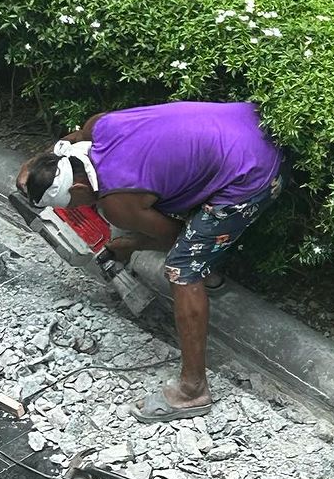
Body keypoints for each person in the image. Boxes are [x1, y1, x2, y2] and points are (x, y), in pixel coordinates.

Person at [15, 100, 288, 422]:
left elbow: (178, 236)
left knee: (184, 270)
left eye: (71, 203)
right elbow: (69, 142)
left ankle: (192, 390)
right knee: (193, 239)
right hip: (259, 121)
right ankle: (212, 271)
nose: (76, 208)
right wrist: (35, 169)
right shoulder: (98, 127)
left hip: (257, 174)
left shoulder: (118, 202)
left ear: (77, 186)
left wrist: (130, 246)